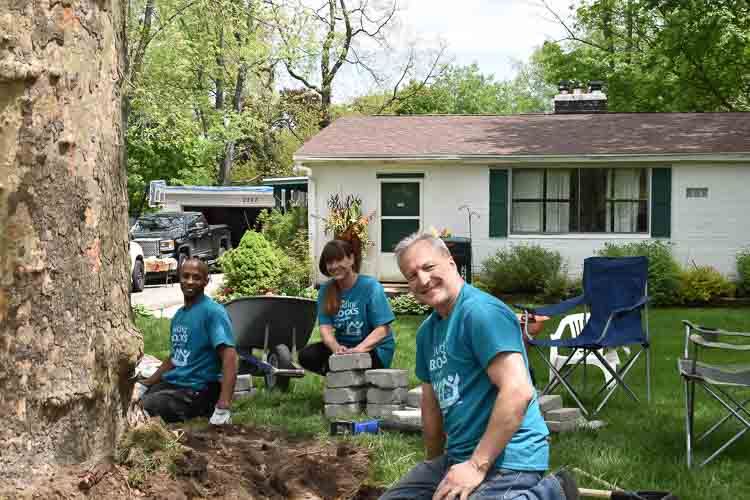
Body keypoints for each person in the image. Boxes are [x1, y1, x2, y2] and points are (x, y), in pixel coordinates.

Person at [380, 234, 575, 500]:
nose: (422, 280)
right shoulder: (427, 332)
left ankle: (551, 493)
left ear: (450, 262)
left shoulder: (481, 313)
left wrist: (475, 466)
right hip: (459, 457)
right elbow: (431, 402)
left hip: (510, 459)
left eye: (428, 267)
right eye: (411, 275)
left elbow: (518, 391)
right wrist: (435, 466)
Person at [133, 258, 238, 425]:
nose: (190, 281)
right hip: (176, 384)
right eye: (185, 276)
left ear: (206, 281)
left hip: (198, 390)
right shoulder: (179, 316)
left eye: (196, 277)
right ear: (179, 278)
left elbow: (230, 357)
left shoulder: (213, 312)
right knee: (130, 400)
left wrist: (223, 405)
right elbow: (176, 358)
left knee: (144, 408)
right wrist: (146, 383)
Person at [298, 239, 396, 375]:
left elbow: (383, 330)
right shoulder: (325, 291)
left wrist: (360, 349)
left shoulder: (371, 286)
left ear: (351, 259)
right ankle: (342, 379)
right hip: (344, 349)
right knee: (307, 355)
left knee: (354, 362)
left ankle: (346, 376)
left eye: (339, 260)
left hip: (374, 349)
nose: (334, 266)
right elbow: (325, 330)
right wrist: (336, 348)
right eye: (329, 262)